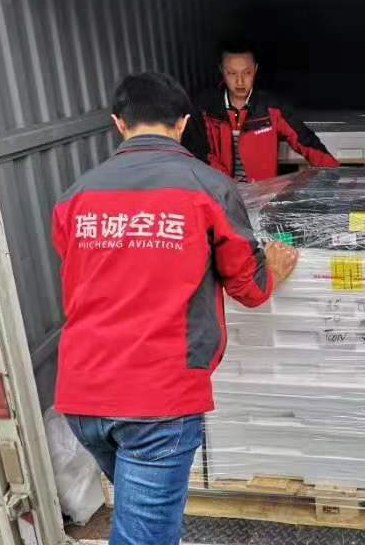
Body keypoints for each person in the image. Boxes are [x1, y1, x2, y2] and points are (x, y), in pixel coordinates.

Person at [51, 72, 298, 545]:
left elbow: (86, 270)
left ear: (118, 123)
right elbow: (247, 286)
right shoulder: (207, 187)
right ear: (184, 123)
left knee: (143, 521)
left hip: (82, 395)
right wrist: (272, 270)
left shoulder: (75, 196)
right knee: (145, 535)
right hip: (156, 401)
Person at [195, 43, 339, 182]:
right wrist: (228, 184)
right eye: (232, 73)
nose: (240, 81)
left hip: (263, 193)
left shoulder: (272, 107)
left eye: (247, 73)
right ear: (221, 70)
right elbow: (200, 152)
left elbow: (306, 141)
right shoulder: (207, 108)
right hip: (221, 192)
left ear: (255, 69)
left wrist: (337, 177)